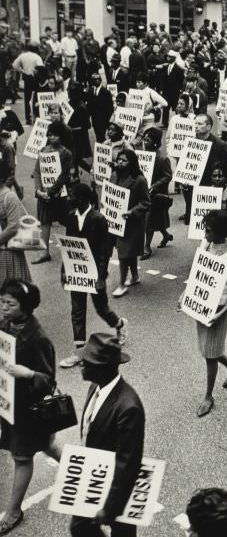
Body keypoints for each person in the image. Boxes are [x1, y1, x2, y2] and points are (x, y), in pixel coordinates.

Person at [70, 333, 145, 537]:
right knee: (81, 529)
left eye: (87, 362)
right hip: (95, 476)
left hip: (117, 488)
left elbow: (127, 465)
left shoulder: (128, 406)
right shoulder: (96, 386)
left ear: (102, 369)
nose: (81, 364)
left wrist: (110, 509)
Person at [0, 279, 62, 535]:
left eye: (9, 303)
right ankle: (84, 470)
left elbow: (48, 381)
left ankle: (13, 511)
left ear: (24, 307)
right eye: (1, 301)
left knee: (22, 457)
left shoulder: (38, 338)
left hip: (28, 410)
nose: (3, 307)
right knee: (47, 444)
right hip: (9, 402)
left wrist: (26, 374)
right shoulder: (5, 324)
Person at [182, 210, 227, 417]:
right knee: (208, 348)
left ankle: (208, 396)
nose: (204, 232)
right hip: (202, 303)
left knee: (209, 353)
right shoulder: (205, 244)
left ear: (220, 232)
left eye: (208, 230)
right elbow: (197, 272)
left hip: (218, 310)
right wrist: (186, 293)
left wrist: (222, 313)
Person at [59, 183, 129, 369]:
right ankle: (79, 351)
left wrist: (100, 276)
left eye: (71, 195)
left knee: (101, 308)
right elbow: (69, 247)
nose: (68, 197)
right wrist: (65, 271)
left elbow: (104, 252)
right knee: (77, 310)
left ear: (82, 198)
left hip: (94, 272)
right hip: (77, 272)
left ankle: (119, 324)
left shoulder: (98, 219)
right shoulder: (71, 218)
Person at [110, 149, 151, 297]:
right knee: (128, 252)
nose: (120, 162)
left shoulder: (139, 180)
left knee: (124, 253)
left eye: (124, 160)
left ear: (131, 163)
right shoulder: (114, 176)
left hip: (132, 223)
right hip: (117, 221)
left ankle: (122, 284)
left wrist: (132, 211)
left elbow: (146, 202)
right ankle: (134, 276)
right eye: (119, 159)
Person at [32, 121, 73, 264]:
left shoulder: (66, 153)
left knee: (68, 221)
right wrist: (38, 189)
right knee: (44, 222)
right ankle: (45, 252)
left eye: (55, 135)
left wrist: (50, 191)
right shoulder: (43, 150)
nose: (52, 138)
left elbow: (63, 176)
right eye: (50, 135)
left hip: (58, 194)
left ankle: (73, 249)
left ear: (61, 136)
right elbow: (37, 171)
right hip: (43, 193)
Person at [141, 127, 173, 259]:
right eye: (144, 139)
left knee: (149, 221)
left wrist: (155, 186)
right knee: (155, 219)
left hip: (155, 194)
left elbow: (167, 176)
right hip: (143, 191)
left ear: (155, 142)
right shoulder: (142, 156)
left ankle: (146, 247)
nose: (145, 142)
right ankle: (166, 235)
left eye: (148, 140)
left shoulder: (162, 159)